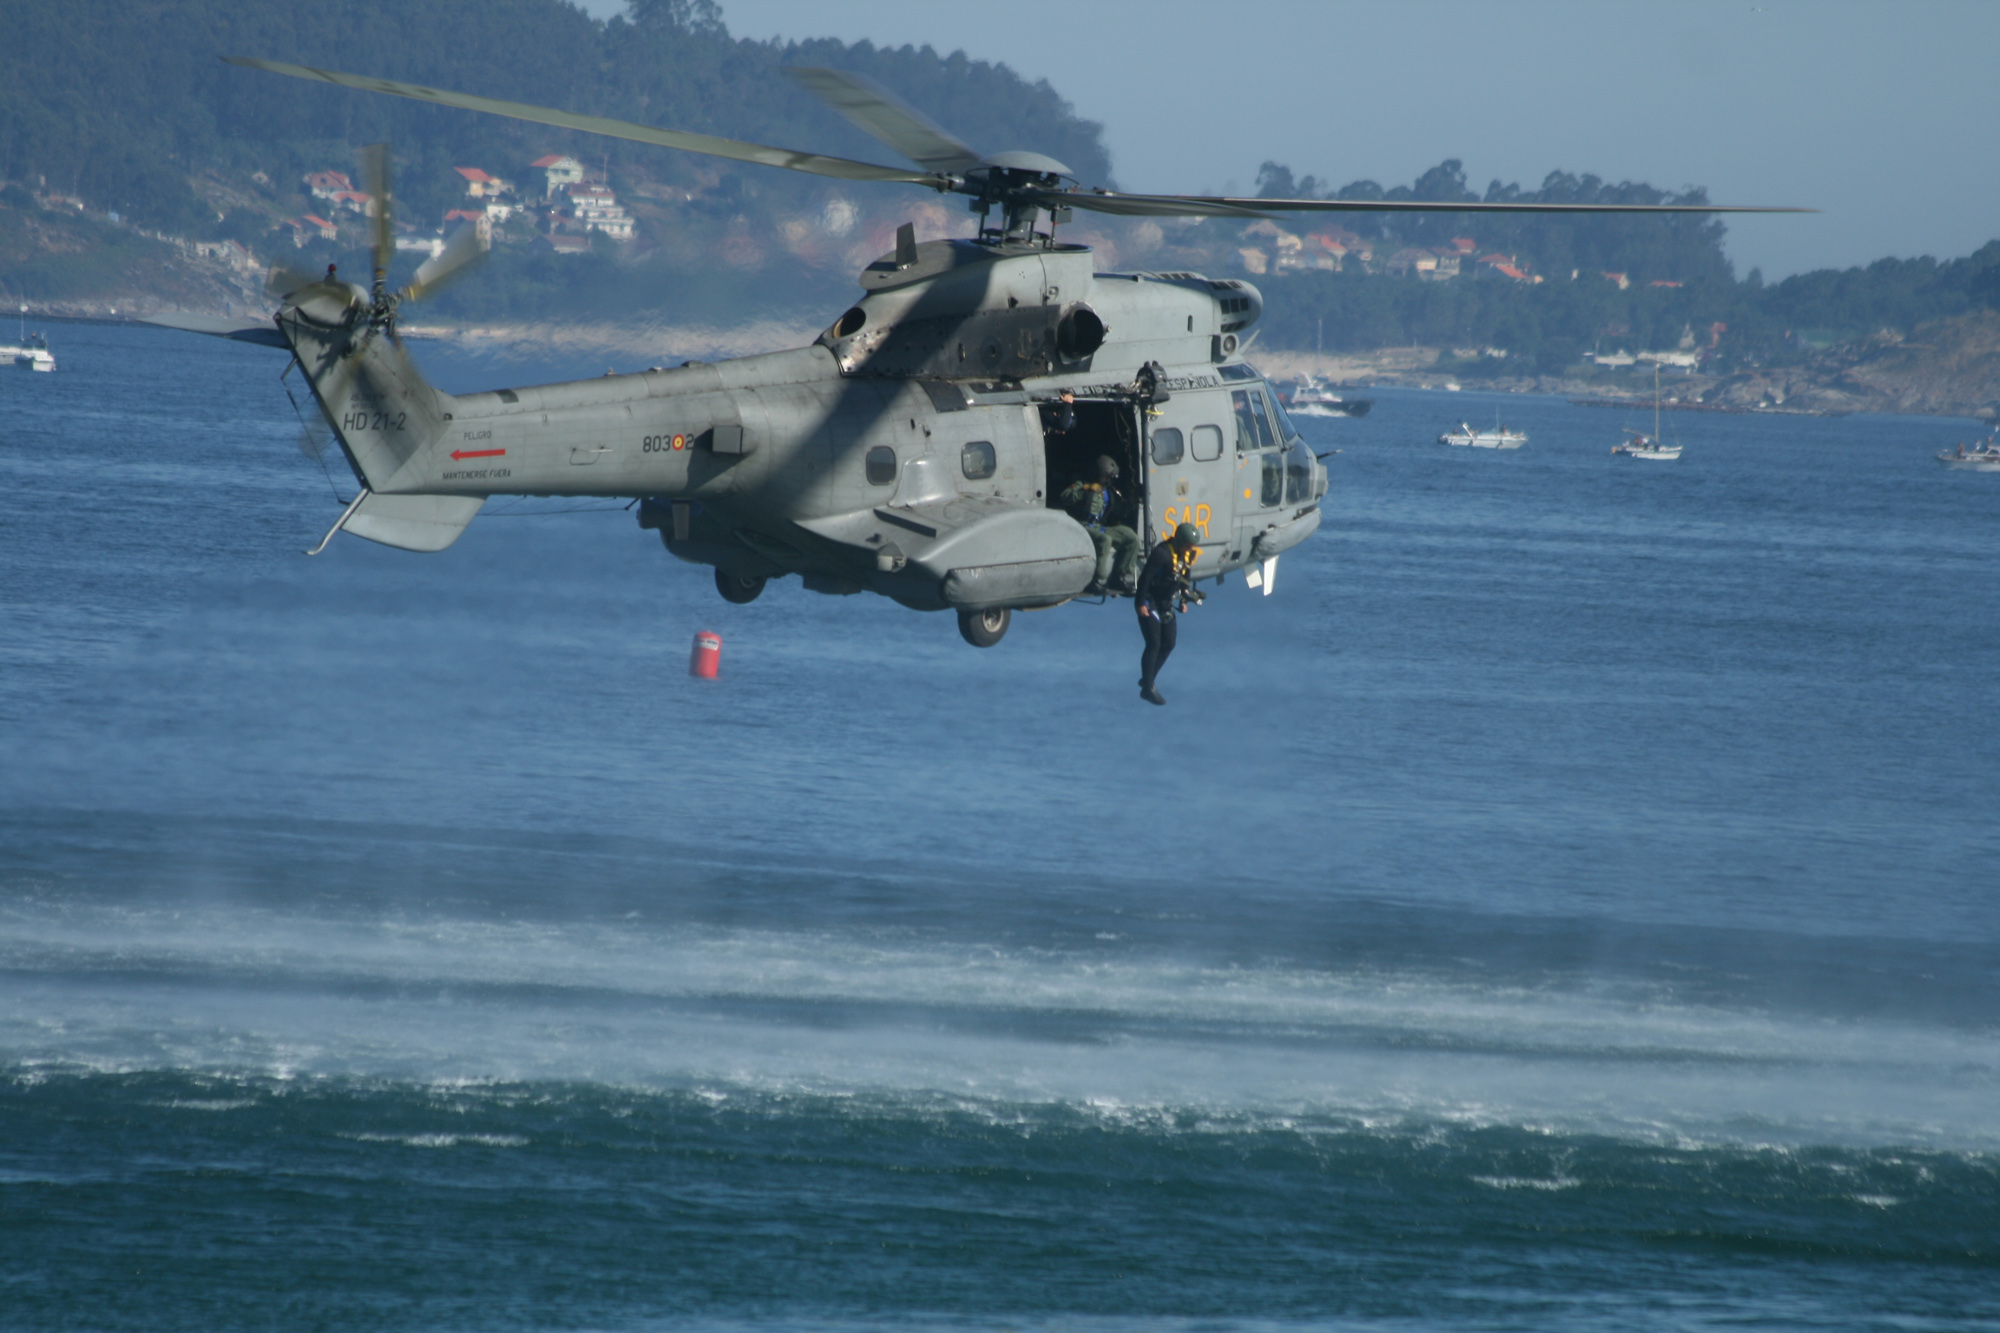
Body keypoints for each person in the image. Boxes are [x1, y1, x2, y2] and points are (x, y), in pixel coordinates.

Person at [1135, 522, 1202, 706]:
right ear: (1181, 541)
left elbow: (1185, 577)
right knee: (1154, 642)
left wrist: (1183, 599)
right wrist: (1140, 603)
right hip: (1150, 601)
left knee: (1169, 642)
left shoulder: (1186, 554)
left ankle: (1148, 679)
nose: (1191, 548)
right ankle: (1148, 688)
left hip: (1165, 602)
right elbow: (1145, 579)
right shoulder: (1161, 554)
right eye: (1189, 545)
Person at [1059, 454, 1141, 594]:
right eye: (1106, 477)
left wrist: (1134, 501)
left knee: (1131, 538)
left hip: (1098, 527)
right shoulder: (1082, 485)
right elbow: (1065, 497)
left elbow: (1120, 511)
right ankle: (1097, 580)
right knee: (1105, 540)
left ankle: (1119, 575)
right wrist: (1086, 489)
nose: (1108, 480)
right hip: (1081, 526)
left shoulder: (1109, 493)